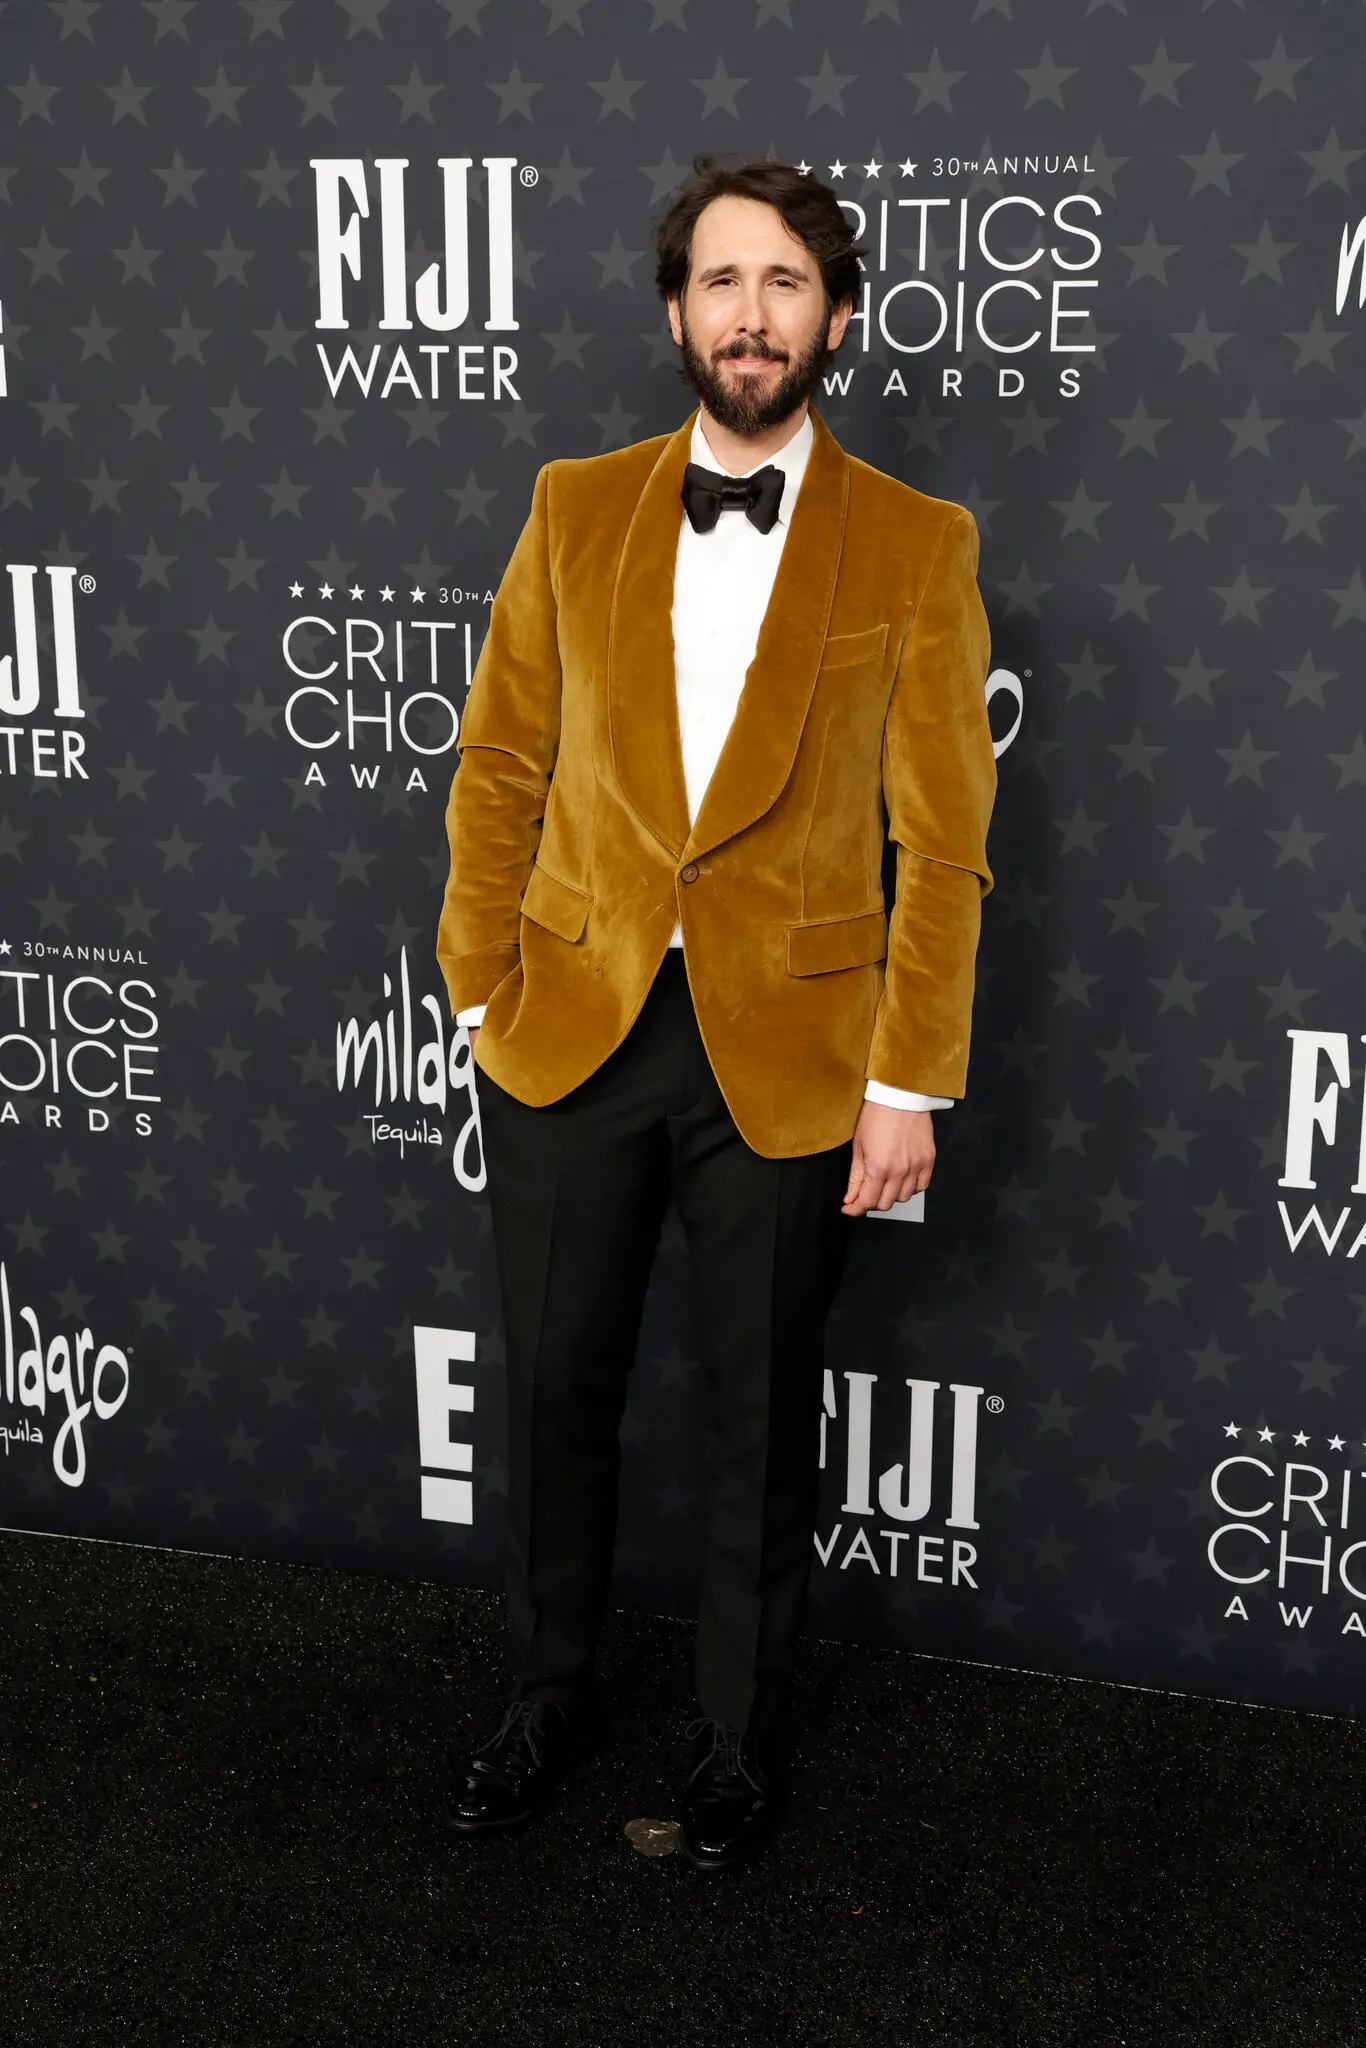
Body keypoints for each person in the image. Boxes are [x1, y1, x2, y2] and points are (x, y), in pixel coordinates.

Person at [435, 155, 996, 1870]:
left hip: (797, 1050)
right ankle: (545, 1696)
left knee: (761, 1418)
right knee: (552, 1393)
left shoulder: (916, 539)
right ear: (672, 307)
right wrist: (478, 994)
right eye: (720, 282)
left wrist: (908, 1079)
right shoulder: (573, 501)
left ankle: (735, 1738)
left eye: (784, 286)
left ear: (833, 316)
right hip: (571, 1027)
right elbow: (500, 765)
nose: (749, 318)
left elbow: (944, 843)